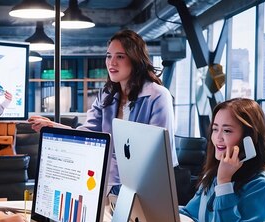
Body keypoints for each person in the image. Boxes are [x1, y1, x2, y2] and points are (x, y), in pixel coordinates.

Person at [28, 29, 178, 194]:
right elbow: (87, 136)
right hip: (108, 184)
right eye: (108, 56)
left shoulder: (157, 95)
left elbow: (159, 155)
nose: (111, 63)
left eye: (120, 56)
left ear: (135, 59)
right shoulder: (106, 95)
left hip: (145, 187)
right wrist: (52, 127)